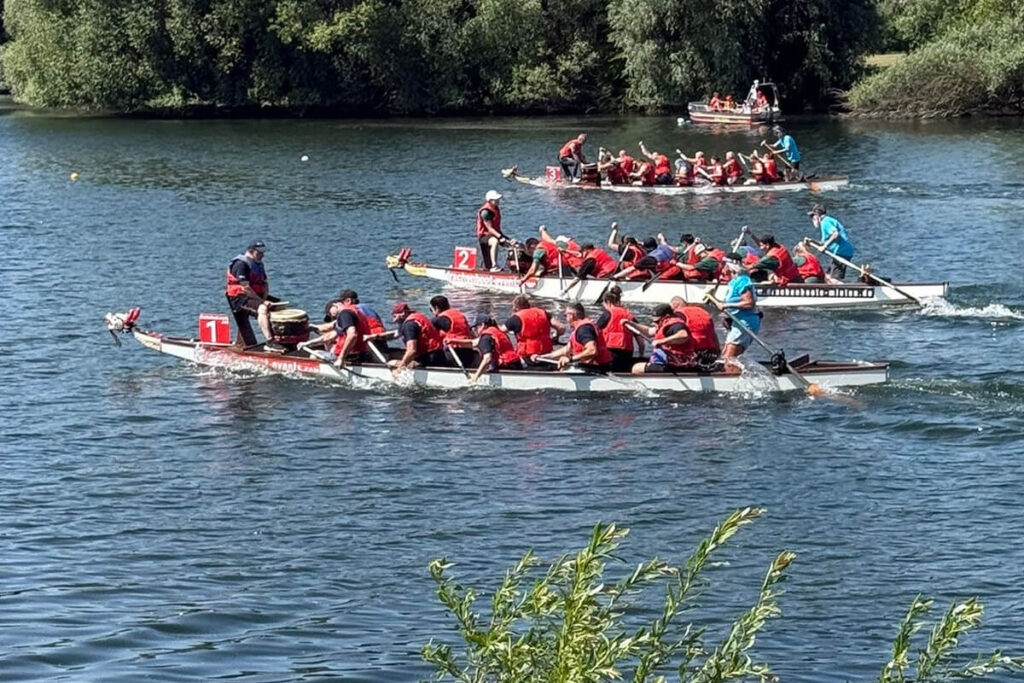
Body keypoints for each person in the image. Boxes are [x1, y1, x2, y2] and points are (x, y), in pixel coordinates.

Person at [299, 289, 376, 366]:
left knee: (314, 355)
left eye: (330, 311)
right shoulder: (357, 312)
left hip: (351, 356)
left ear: (336, 304)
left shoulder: (345, 313)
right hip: (363, 354)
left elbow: (352, 335)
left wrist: (341, 359)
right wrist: (307, 343)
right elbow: (330, 336)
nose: (332, 314)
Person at [709, 252, 761, 367]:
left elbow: (749, 303)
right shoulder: (733, 282)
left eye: (724, 265)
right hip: (738, 323)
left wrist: (726, 306)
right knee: (724, 355)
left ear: (730, 266)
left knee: (729, 359)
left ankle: (729, 379)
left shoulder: (742, 280)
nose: (722, 267)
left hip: (746, 323)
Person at [225, 241, 276, 348]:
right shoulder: (240, 264)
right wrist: (262, 302)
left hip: (255, 296)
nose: (262, 255)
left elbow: (265, 283)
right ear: (251, 251)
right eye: (259, 253)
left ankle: (284, 339)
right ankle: (270, 341)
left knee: (278, 306)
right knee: (262, 309)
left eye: (263, 253)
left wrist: (265, 297)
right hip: (239, 298)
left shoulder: (258, 264)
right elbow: (246, 288)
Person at [544, 303, 613, 372]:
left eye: (565, 315)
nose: (565, 319)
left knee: (560, 370)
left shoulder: (583, 329)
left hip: (596, 369)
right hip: (588, 366)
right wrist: (544, 356)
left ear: (572, 316)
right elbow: (566, 349)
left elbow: (592, 351)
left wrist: (570, 359)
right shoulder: (578, 329)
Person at [630, 304, 694, 374]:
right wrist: (632, 324)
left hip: (676, 365)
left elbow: (683, 335)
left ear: (666, 317)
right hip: (665, 363)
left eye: (656, 321)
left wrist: (661, 341)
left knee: (636, 368)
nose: (654, 323)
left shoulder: (675, 325)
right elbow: (648, 331)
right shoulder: (663, 325)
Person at [503, 295, 565, 367]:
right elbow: (561, 328)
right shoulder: (543, 313)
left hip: (527, 357)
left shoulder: (516, 317)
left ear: (516, 308)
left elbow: (501, 331)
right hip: (546, 354)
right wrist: (555, 337)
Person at [458, 314, 522, 382]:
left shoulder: (486, 337)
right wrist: (454, 342)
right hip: (516, 364)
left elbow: (487, 359)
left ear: (482, 325)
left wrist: (475, 377)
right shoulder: (497, 331)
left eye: (476, 328)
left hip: (506, 367)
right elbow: (473, 343)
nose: (475, 331)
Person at [391, 301, 446, 371]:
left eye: (394, 316)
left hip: (428, 359)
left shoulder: (409, 325)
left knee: (391, 363)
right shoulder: (419, 317)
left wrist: (399, 368)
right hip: (439, 354)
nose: (394, 319)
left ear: (403, 313)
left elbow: (412, 350)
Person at [809, 204, 855, 281]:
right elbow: (824, 243)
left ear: (817, 215)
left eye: (812, 216)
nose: (812, 219)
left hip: (842, 252)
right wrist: (812, 242)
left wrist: (825, 246)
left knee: (834, 279)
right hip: (839, 252)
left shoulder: (825, 222)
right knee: (827, 277)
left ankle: (842, 290)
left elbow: (835, 234)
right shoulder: (826, 222)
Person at [595, 287, 636, 372]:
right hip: (627, 352)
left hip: (610, 350)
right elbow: (640, 339)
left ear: (608, 302)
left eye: (604, 304)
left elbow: (595, 331)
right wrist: (641, 352)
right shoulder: (628, 314)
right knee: (622, 371)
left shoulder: (608, 313)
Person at [670, 296, 721, 365]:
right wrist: (718, 350)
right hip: (710, 351)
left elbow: (680, 334)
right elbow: (713, 333)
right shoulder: (703, 311)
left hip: (692, 351)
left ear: (675, 305)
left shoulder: (678, 314)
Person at [430, 295, 475, 367]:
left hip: (454, 355)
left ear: (436, 308)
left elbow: (425, 333)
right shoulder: (460, 315)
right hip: (469, 354)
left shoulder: (437, 320)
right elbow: (472, 334)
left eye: (431, 309)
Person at [476, 190, 508, 272]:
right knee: (494, 241)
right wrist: (500, 237)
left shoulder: (495, 208)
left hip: (495, 234)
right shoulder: (485, 212)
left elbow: (496, 229)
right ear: (490, 201)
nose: (498, 201)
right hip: (484, 236)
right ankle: (494, 266)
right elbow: (490, 228)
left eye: (498, 199)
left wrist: (507, 239)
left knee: (515, 244)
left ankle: (513, 267)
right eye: (496, 200)